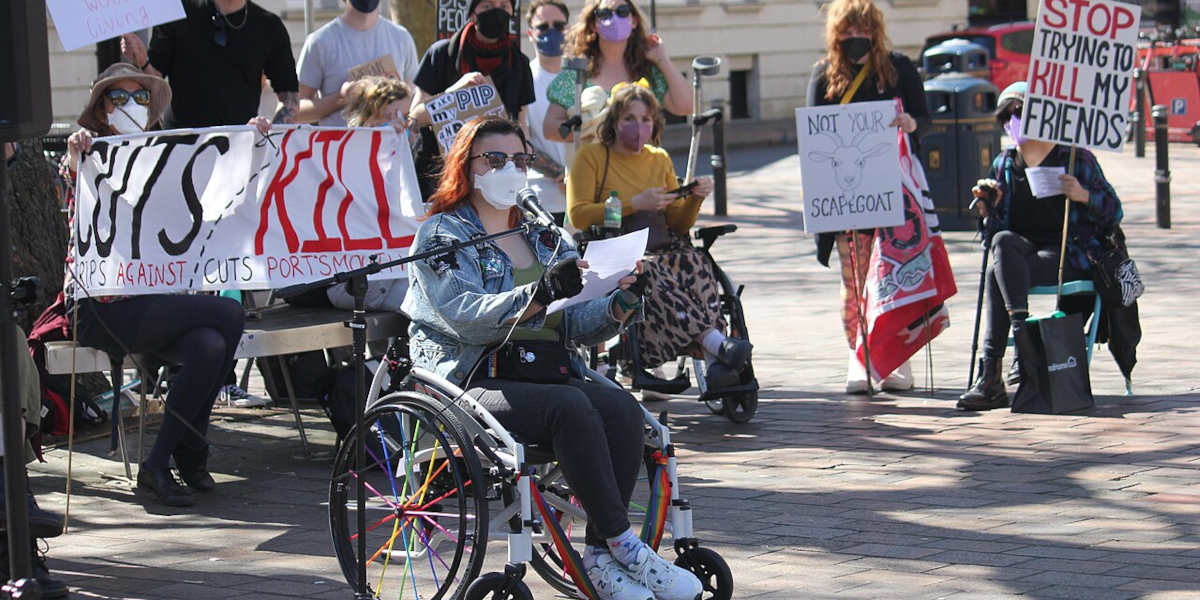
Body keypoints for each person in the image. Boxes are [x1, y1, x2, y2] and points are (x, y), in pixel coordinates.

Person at [403, 115, 702, 600]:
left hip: (544, 370)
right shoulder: (442, 235)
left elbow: (573, 324)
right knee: (571, 407)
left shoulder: (546, 237)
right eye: (494, 160)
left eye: (518, 160)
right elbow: (465, 317)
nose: (509, 169)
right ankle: (625, 544)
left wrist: (619, 302)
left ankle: (602, 559)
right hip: (470, 377)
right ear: (467, 166)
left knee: (623, 410)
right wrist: (537, 296)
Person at [61, 63, 254, 507]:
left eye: (140, 97)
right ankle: (191, 450)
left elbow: (216, 186)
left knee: (209, 344)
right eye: (119, 98)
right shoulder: (91, 154)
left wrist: (250, 140)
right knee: (227, 314)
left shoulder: (166, 158)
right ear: (101, 108)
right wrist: (78, 155)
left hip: (155, 303)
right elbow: (74, 179)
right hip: (101, 304)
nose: (130, 106)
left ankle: (162, 461)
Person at [566, 83, 750, 391]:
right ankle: (716, 346)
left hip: (663, 243)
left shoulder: (659, 158)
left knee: (695, 261)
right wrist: (634, 204)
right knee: (648, 271)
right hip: (617, 245)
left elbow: (678, 224)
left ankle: (714, 354)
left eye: (646, 120)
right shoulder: (592, 156)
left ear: (656, 124)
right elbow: (578, 214)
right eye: (629, 119)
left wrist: (693, 198)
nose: (639, 127)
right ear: (613, 122)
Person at [958, 81, 1121, 411]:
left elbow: (1114, 212)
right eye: (1009, 117)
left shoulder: (1076, 158)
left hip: (1067, 254)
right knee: (1001, 249)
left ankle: (993, 373)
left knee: (997, 275)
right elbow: (995, 237)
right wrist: (990, 209)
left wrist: (1084, 196)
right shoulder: (1005, 164)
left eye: (1022, 114)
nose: (1015, 122)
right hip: (1022, 254)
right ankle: (1018, 346)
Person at [806, 0, 929, 394]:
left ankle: (897, 355)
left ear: (875, 31)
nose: (855, 37)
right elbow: (814, 141)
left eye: (862, 28)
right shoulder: (823, 76)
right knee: (854, 280)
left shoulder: (899, 69)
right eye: (847, 29)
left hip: (896, 197)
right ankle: (860, 356)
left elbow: (924, 117)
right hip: (849, 203)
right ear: (835, 33)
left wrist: (909, 123)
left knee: (896, 277)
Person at [408, 0, 536, 197]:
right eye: (488, 6)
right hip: (439, 179)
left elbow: (522, 123)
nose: (497, 12)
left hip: (495, 178)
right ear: (473, 14)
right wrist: (454, 91)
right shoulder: (442, 54)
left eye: (504, 7)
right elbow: (414, 118)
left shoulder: (519, 63)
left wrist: (521, 163)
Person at [119, 0, 300, 127]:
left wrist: (269, 130)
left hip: (238, 150)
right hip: (182, 146)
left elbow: (290, 100)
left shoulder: (269, 26)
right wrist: (142, 61)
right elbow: (154, 80)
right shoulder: (178, 12)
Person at [542, 0, 693, 144]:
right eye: (605, 13)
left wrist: (662, 59)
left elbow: (687, 106)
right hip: (594, 166)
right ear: (594, 24)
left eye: (622, 11)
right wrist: (588, 128)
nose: (614, 18)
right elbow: (549, 128)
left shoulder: (648, 70)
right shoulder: (577, 72)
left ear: (634, 21)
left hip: (641, 168)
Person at [293, 0, 420, 126]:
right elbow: (293, 111)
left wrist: (399, 103)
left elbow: (415, 98)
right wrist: (340, 99)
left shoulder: (401, 38)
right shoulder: (320, 42)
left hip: (390, 144)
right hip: (339, 144)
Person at [524, 0, 572, 222]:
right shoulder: (522, 79)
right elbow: (520, 140)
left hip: (588, 198)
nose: (551, 32)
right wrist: (560, 174)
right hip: (543, 202)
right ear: (530, 33)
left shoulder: (583, 75)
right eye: (543, 27)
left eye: (559, 26)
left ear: (569, 30)